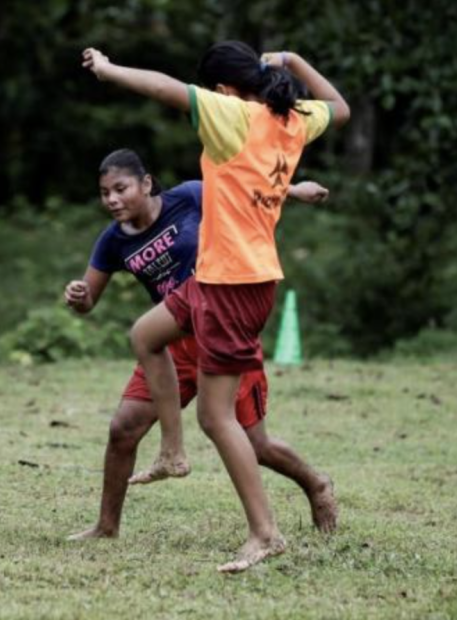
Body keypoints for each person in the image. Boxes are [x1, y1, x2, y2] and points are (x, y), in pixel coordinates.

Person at [82, 41, 349, 572]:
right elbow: (339, 108)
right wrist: (294, 61)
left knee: (217, 417)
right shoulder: (292, 117)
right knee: (146, 334)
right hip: (215, 277)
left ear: (224, 90)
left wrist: (110, 69)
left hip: (236, 283)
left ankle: (265, 533)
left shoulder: (232, 114)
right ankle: (171, 454)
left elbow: (164, 87)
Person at [65, 149, 337, 548]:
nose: (112, 200)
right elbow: (89, 301)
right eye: (104, 193)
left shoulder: (189, 197)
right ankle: (107, 526)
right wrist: (78, 296)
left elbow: (244, 192)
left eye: (120, 189)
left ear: (145, 183)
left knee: (256, 445)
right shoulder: (111, 242)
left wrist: (293, 190)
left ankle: (316, 484)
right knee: (123, 428)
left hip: (223, 332)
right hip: (171, 344)